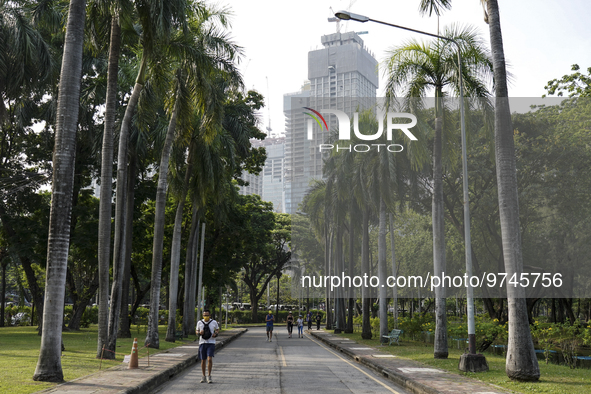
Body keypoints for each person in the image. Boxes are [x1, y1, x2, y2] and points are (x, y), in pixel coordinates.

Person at [196, 309, 219, 384]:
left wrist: (215, 334)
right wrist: (199, 333)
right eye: (204, 315)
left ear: (210, 315)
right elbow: (196, 331)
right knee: (203, 360)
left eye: (207, 315)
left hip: (211, 342)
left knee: (209, 359)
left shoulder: (214, 322)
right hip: (202, 343)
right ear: (203, 315)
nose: (206, 316)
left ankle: (209, 375)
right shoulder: (199, 322)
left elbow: (217, 329)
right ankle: (203, 376)